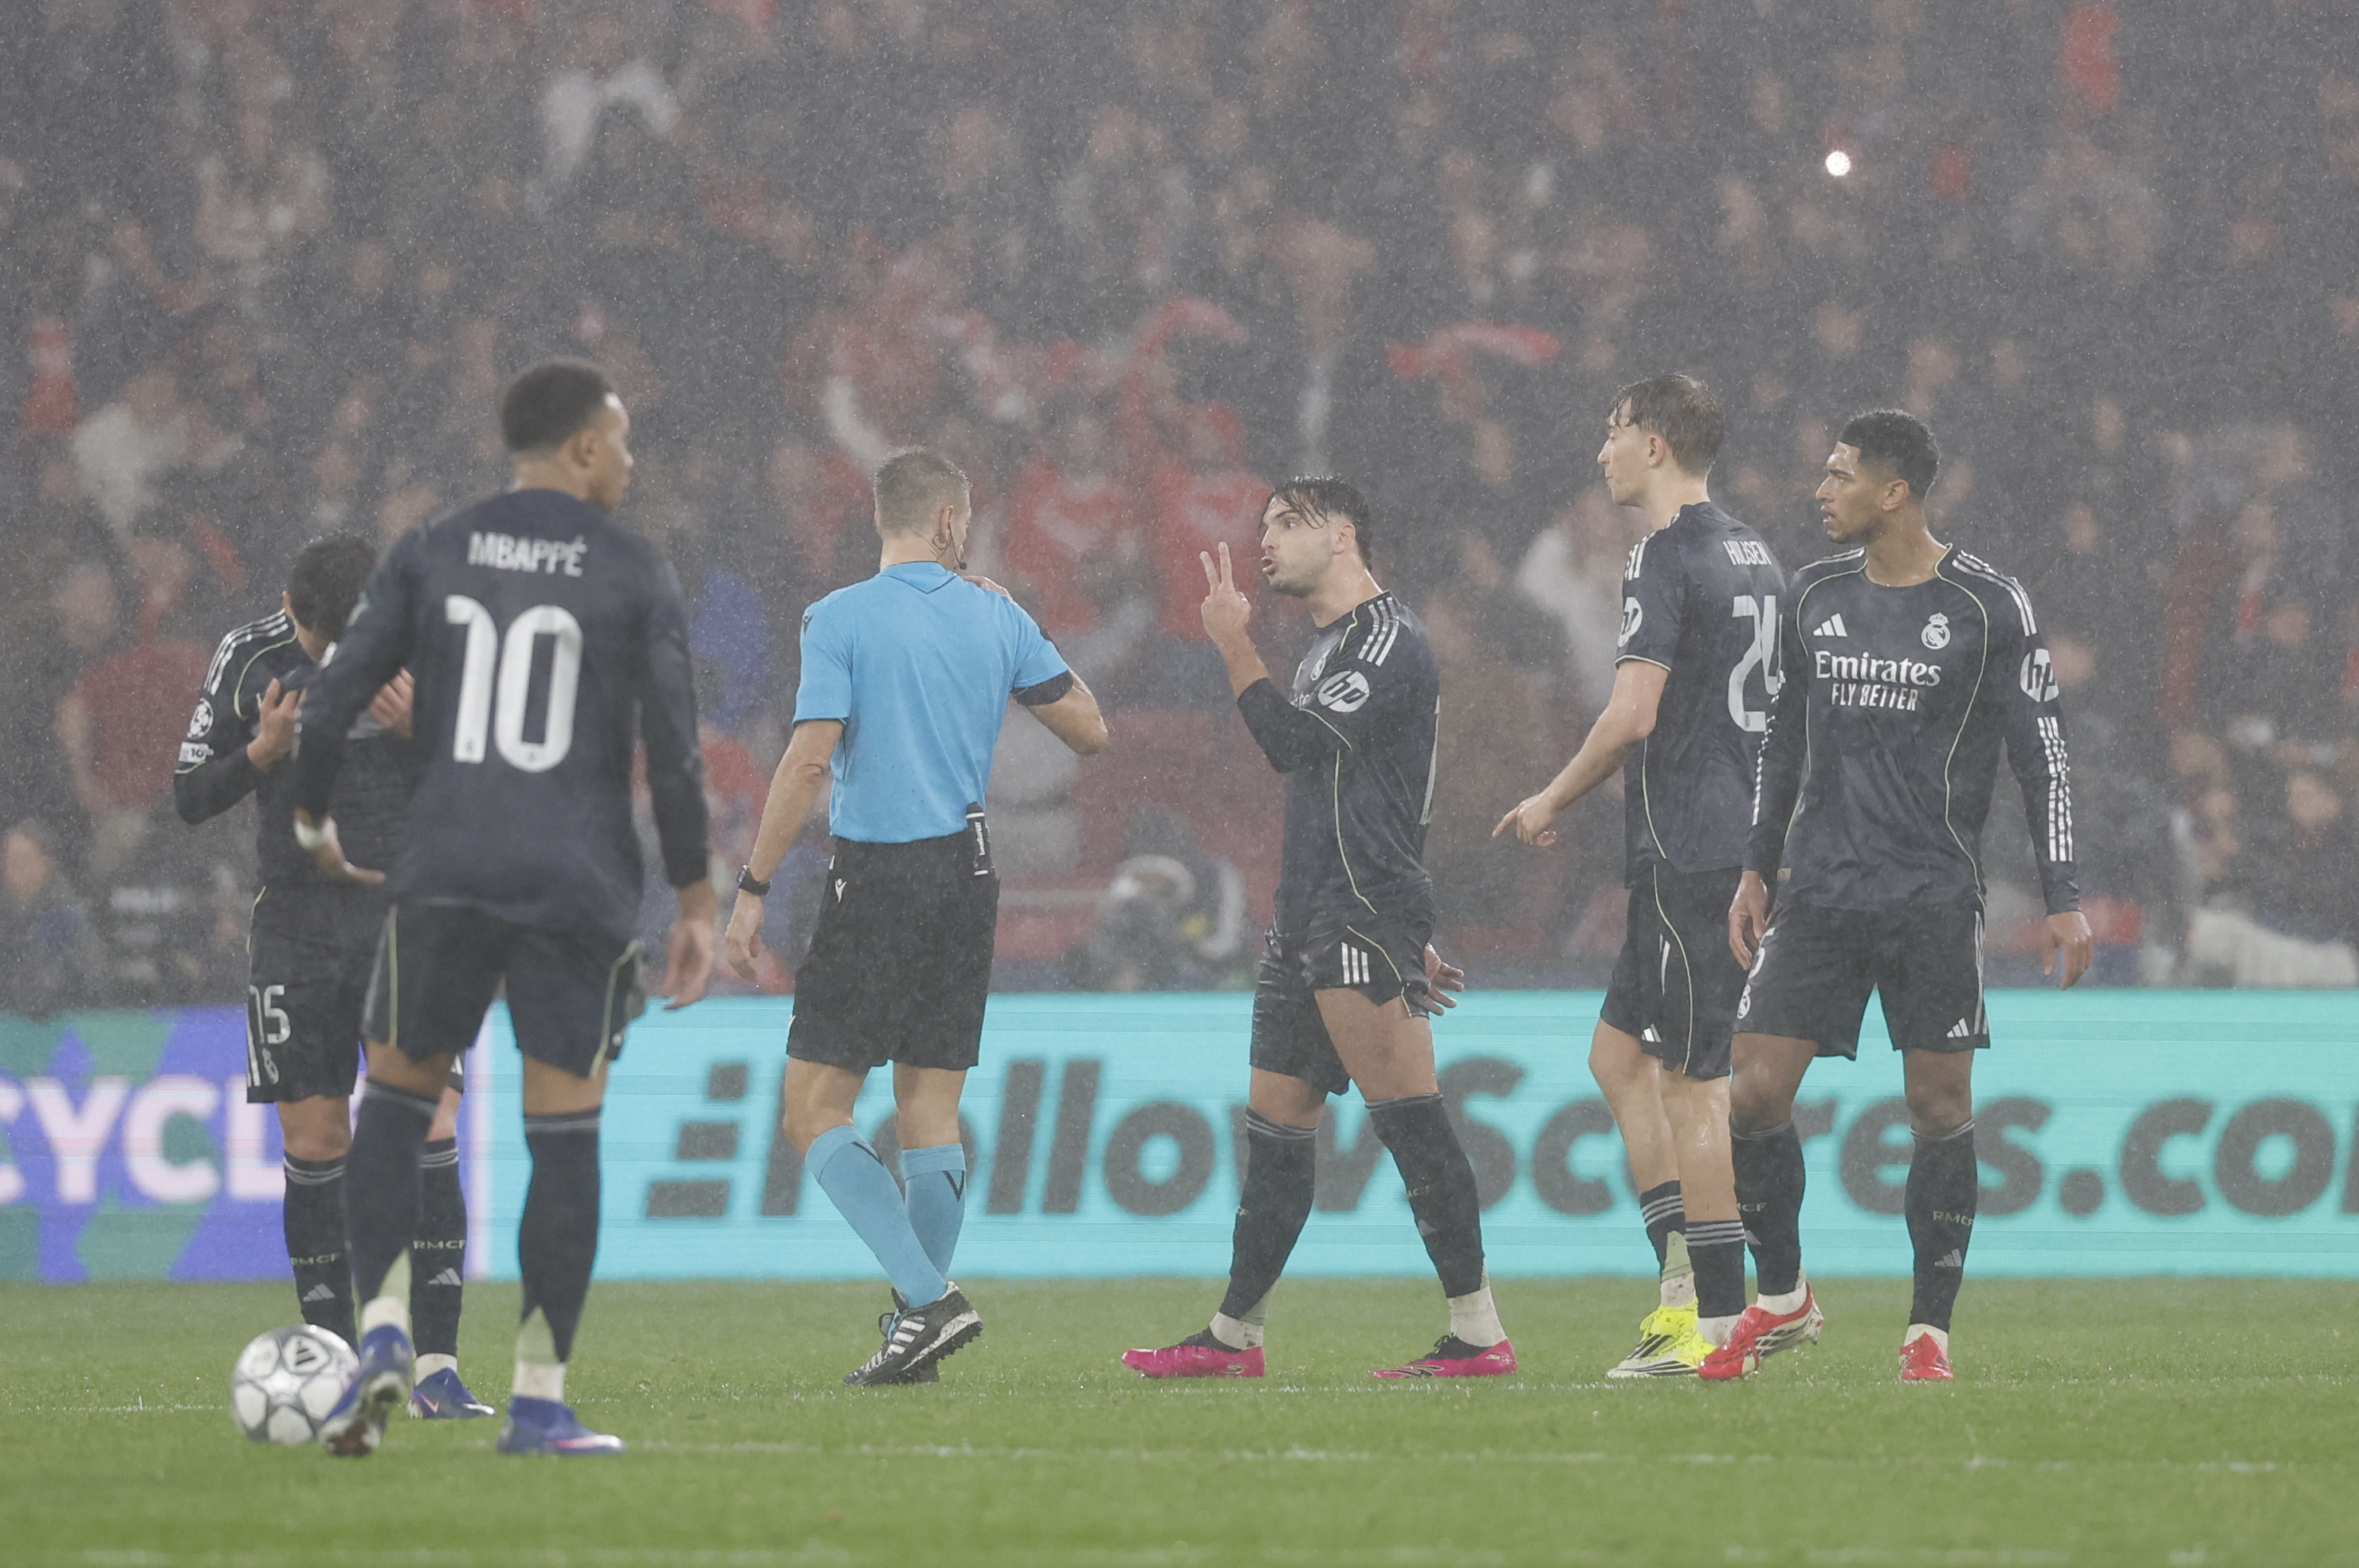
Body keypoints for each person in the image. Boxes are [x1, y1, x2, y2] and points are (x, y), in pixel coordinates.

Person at [291, 360, 716, 1456]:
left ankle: (382, 1335)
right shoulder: (631, 569)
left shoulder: (434, 545)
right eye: (621, 440)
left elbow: (334, 692)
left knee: (393, 1106)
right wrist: (698, 896)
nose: (629, 459)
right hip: (571, 879)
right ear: (582, 448)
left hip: (441, 869)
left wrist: (309, 824)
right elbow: (671, 749)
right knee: (562, 1136)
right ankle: (536, 1399)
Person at [1709, 410, 2092, 1385]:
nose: (1819, 491)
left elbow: (2038, 750)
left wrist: (2062, 892)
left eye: (1838, 477)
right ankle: (1782, 1294)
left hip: (1929, 894)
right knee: (1750, 1091)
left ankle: (1928, 1331)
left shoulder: (1985, 603)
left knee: (1935, 1106)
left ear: (1893, 494)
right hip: (1821, 891)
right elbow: (1779, 746)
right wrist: (1756, 866)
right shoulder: (1812, 595)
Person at [724, 448, 1107, 1387]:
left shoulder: (839, 617)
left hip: (879, 874)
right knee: (929, 1111)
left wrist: (752, 886)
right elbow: (1089, 730)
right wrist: (991, 659)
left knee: (812, 1108)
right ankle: (916, 1333)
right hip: (968, 872)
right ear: (947, 525)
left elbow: (809, 760)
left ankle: (928, 1301)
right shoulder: (995, 611)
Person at [1123, 478, 1509, 1382]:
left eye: (1284, 525)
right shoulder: (1328, 648)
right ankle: (1233, 1336)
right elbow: (1362, 794)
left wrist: (1230, 643)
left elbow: (1292, 748)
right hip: (1309, 915)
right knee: (1276, 1128)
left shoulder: (1385, 638)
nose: (1264, 541)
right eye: (1261, 525)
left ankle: (1480, 1333)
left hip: (1358, 912)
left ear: (1342, 537)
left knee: (1410, 1123)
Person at [1494, 374, 1784, 1377]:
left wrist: (1548, 798)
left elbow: (1630, 713)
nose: (1600, 451)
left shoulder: (1660, 556)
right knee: (1616, 1060)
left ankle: (1710, 1328)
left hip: (1690, 849)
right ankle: (1678, 1286)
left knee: (1692, 1086)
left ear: (1655, 445)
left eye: (1612, 432)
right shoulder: (1755, 552)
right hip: (1725, 839)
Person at [172, 535, 489, 1419]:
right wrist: (262, 754)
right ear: (289, 610)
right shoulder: (248, 658)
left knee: (430, 1122)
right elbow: (189, 796)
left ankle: (436, 1370)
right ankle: (339, 1367)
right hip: (300, 926)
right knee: (316, 1144)